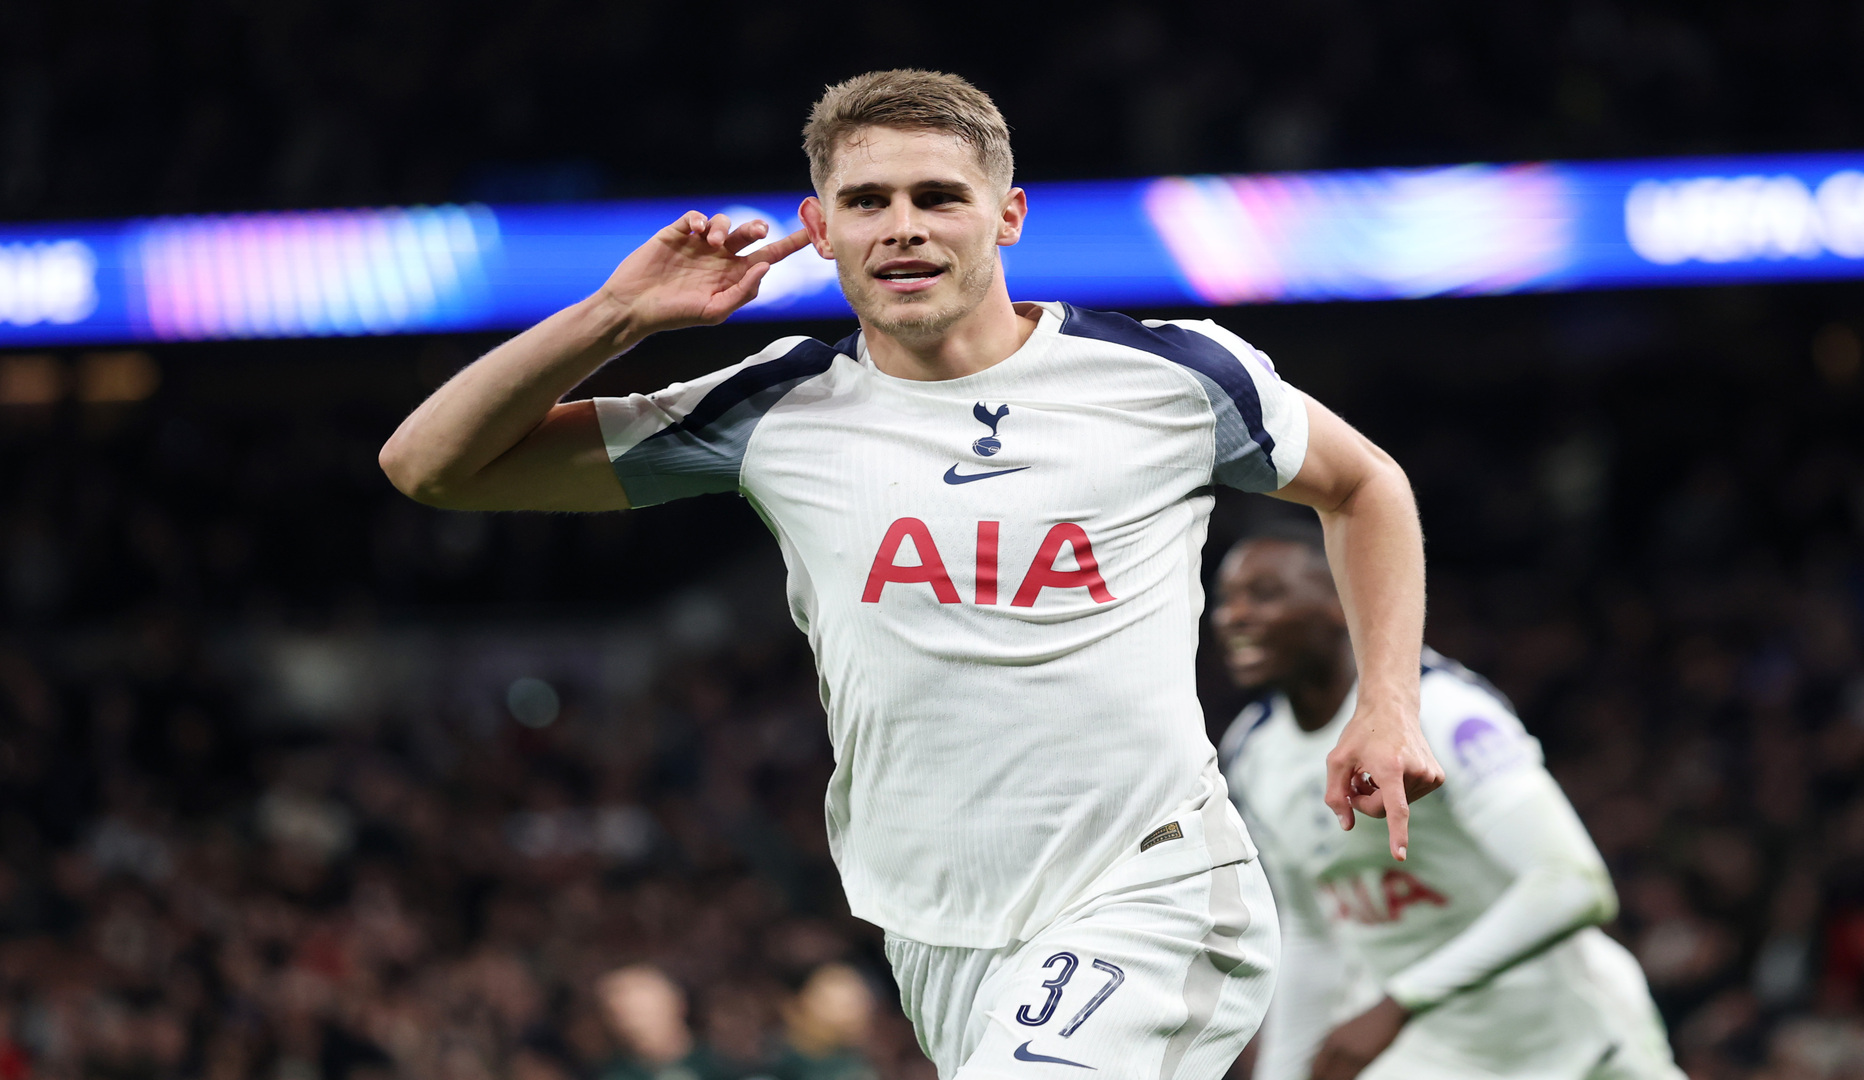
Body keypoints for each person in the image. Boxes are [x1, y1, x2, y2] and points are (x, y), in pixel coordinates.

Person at [379, 69, 1442, 1078]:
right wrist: (615, 318)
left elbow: (1366, 486)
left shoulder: (1173, 376)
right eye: (868, 200)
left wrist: (1388, 704)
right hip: (934, 928)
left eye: (940, 196)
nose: (904, 227)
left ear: (1008, 214)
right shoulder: (771, 410)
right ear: (820, 226)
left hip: (1153, 886)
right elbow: (429, 467)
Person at [1211, 523, 1684, 1080]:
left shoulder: (1444, 710)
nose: (1232, 616)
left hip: (1578, 1043)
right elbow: (1313, 932)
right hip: (1431, 1055)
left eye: (1265, 594)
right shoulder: (1250, 752)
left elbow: (1574, 885)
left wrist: (1399, 1002)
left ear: (1344, 600)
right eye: (1225, 599)